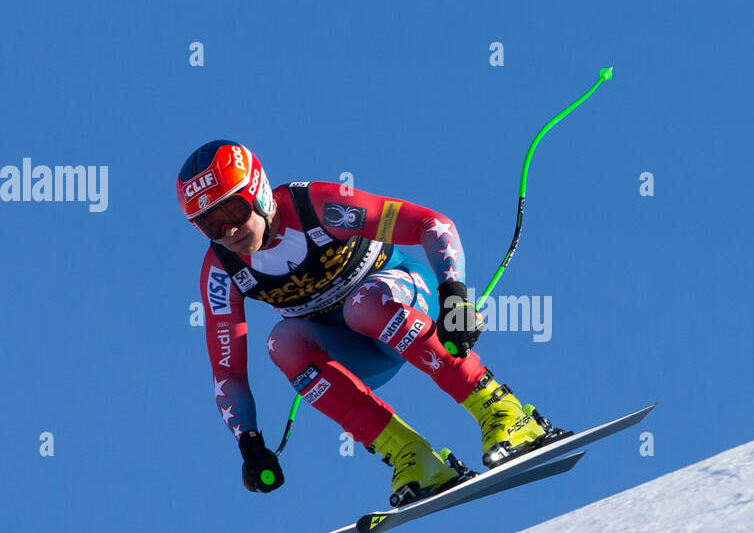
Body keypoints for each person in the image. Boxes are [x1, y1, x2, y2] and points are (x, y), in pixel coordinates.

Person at [177, 139, 552, 503]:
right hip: (358, 351)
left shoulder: (314, 207)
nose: (229, 232)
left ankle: (504, 411)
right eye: (211, 225)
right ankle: (413, 456)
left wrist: (453, 295)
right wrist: (250, 444)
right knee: (282, 343)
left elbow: (431, 224)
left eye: (233, 213)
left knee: (364, 304)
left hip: (407, 305)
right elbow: (228, 372)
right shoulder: (222, 271)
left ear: (258, 192)